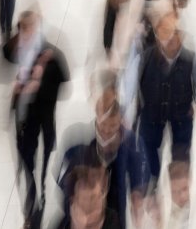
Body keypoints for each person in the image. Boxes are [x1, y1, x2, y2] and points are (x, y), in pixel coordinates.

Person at [4, 8, 71, 226]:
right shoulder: (16, 50)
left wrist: (37, 86)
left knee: (38, 171)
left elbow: (64, 82)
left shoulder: (50, 55)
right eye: (23, 28)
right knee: (25, 167)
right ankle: (31, 208)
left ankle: (35, 212)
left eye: (31, 27)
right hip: (22, 122)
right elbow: (2, 59)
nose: (27, 32)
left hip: (42, 122)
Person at [58, 86, 150, 227]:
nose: (106, 130)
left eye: (112, 125)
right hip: (82, 208)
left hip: (114, 205)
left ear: (120, 121)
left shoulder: (132, 145)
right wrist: (76, 203)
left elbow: (141, 173)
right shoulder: (78, 145)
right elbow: (63, 181)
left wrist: (137, 193)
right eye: (103, 124)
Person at [138, 8, 196, 186]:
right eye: (166, 32)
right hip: (152, 111)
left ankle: (179, 188)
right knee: (148, 144)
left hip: (181, 113)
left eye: (176, 33)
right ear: (157, 35)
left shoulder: (191, 60)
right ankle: (153, 178)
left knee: (181, 153)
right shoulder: (146, 58)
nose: (171, 38)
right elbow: (133, 83)